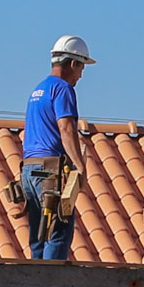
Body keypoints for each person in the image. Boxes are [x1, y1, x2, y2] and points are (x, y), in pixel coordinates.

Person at [19, 36, 93, 261]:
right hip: (50, 171)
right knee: (58, 231)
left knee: (38, 237)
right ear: (73, 63)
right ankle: (50, 284)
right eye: (81, 68)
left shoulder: (38, 90)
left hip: (30, 172)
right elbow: (66, 129)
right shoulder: (63, 89)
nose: (80, 75)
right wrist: (80, 167)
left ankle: (35, 282)